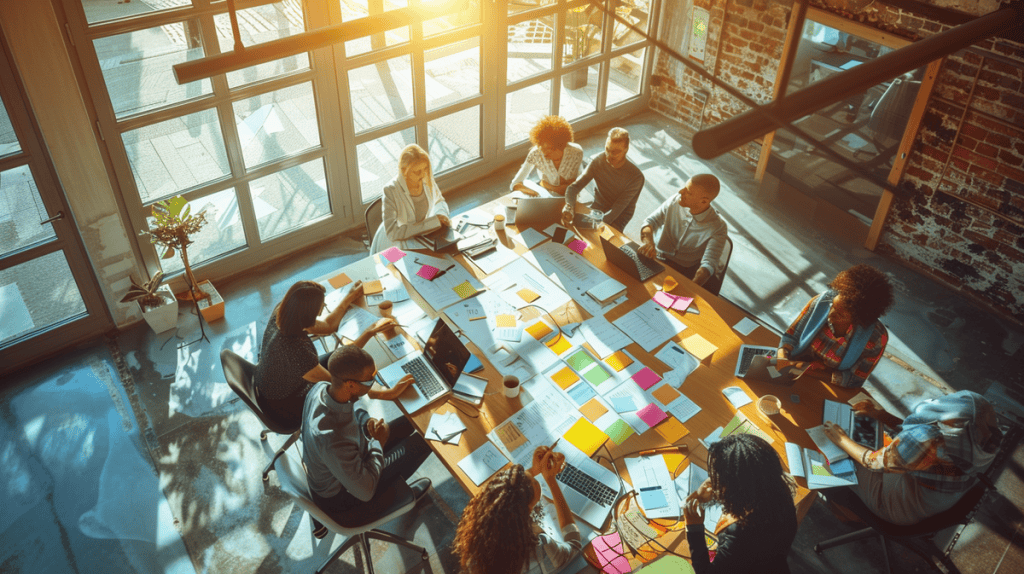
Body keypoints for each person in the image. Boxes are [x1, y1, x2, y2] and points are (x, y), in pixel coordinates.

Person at [301, 343, 432, 531]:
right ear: (351, 385)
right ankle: (397, 495)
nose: (373, 382)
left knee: (415, 422)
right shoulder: (331, 439)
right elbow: (366, 490)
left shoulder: (322, 388)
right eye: (370, 381)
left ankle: (397, 485)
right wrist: (378, 443)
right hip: (346, 496)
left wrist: (365, 422)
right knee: (425, 442)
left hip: (345, 463)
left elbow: (351, 414)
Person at [823, 390, 1001, 525]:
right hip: (933, 502)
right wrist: (881, 415)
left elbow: (872, 461)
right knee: (877, 443)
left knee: (830, 460)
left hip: (897, 508)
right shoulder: (984, 443)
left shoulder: (931, 440)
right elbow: (924, 432)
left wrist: (841, 439)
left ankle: (845, 512)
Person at [253, 280, 394, 429]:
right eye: (318, 310)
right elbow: (340, 385)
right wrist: (377, 392)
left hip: (274, 378)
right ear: (306, 317)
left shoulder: (285, 311)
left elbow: (328, 326)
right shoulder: (297, 352)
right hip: (283, 406)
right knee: (347, 387)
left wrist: (351, 298)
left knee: (341, 360)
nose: (321, 312)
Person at [452, 446, 582, 574]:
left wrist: (535, 470)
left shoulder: (481, 526)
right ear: (524, 514)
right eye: (535, 503)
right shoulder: (541, 548)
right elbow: (575, 545)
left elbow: (511, 491)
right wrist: (550, 479)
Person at [683, 434, 798, 574]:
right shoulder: (779, 492)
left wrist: (694, 528)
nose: (712, 478)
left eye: (718, 476)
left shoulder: (740, 536)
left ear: (737, 487)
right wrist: (717, 491)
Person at [778, 264, 893, 388]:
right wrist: (782, 356)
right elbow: (791, 337)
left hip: (828, 385)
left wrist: (811, 372)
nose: (830, 314)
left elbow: (855, 379)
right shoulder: (821, 303)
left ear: (859, 319)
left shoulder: (875, 338)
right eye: (832, 305)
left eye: (840, 314)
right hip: (792, 370)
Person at [638, 173, 728, 287]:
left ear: (704, 201)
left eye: (688, 192)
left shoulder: (718, 227)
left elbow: (708, 266)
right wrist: (648, 243)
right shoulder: (676, 200)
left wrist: (690, 290)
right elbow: (649, 222)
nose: (681, 192)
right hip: (654, 258)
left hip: (682, 273)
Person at [370, 143, 451, 253]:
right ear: (404, 171)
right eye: (417, 172)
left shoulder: (425, 179)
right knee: (407, 268)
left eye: (425, 169)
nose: (423, 175)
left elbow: (439, 200)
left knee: (439, 263)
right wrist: (430, 223)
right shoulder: (390, 190)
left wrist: (442, 216)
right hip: (394, 243)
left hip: (420, 237)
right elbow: (393, 233)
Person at [561, 127, 644, 230]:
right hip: (598, 207)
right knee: (574, 233)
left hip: (618, 217)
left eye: (615, 152)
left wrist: (590, 224)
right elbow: (574, 187)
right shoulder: (599, 160)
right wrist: (569, 207)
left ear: (626, 149)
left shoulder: (636, 177)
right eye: (607, 149)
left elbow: (615, 211)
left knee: (597, 240)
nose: (609, 156)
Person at [510, 115, 584, 197]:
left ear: (561, 146)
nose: (544, 153)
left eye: (548, 148)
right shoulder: (536, 153)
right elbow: (515, 183)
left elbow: (577, 183)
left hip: (571, 196)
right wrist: (534, 194)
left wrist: (552, 186)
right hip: (545, 194)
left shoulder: (576, 152)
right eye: (541, 147)